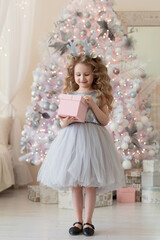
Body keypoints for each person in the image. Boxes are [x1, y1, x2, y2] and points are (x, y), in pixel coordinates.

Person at [37, 46, 125, 237]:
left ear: (94, 75)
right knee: (75, 184)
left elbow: (104, 121)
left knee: (90, 183)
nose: (82, 78)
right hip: (73, 140)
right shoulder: (70, 95)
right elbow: (62, 121)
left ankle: (88, 222)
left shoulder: (98, 95)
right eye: (78, 74)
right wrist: (65, 122)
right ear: (73, 75)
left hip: (94, 141)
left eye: (86, 74)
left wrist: (92, 104)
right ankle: (77, 220)